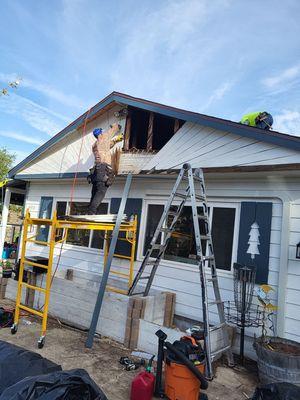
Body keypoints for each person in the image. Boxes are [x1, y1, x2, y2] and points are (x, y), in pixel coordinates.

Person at [87, 123, 122, 214]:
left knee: (95, 192)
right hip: (103, 170)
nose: (103, 133)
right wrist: (116, 126)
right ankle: (92, 212)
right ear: (100, 134)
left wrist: (116, 140)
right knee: (101, 192)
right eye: (102, 132)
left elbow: (107, 146)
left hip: (96, 172)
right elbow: (113, 130)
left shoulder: (95, 145)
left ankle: (91, 211)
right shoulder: (103, 138)